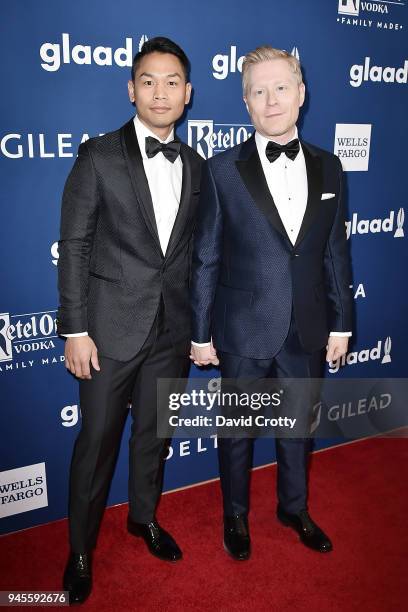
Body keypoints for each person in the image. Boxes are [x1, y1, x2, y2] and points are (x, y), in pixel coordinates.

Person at [190, 46, 352, 560]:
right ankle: (235, 517)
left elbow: (335, 252)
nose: (271, 99)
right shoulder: (221, 170)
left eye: (281, 87)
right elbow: (207, 258)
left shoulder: (330, 166)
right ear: (246, 103)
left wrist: (342, 323)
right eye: (258, 91)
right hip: (242, 329)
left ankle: (294, 508)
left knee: (298, 429)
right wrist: (200, 333)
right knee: (235, 435)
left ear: (301, 94)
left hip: (308, 325)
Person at [57, 36, 202, 603]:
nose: (160, 92)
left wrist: (199, 329)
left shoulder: (194, 164)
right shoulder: (98, 156)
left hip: (172, 331)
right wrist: (75, 329)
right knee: (95, 444)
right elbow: (74, 246)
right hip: (108, 332)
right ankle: (80, 549)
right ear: (131, 89)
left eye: (172, 82)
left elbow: (191, 253)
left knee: (153, 437)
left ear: (187, 94)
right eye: (149, 80)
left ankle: (142, 518)